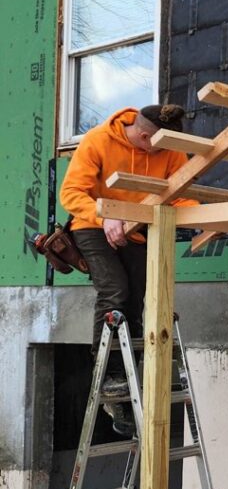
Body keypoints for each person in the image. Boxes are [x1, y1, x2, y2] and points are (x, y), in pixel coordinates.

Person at [60, 104, 197, 404]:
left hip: (136, 228)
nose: (168, 152)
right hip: (92, 225)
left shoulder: (171, 149)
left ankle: (128, 380)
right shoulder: (97, 140)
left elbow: (182, 196)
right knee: (115, 290)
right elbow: (70, 193)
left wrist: (207, 219)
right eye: (161, 145)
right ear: (146, 137)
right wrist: (103, 215)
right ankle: (108, 375)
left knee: (135, 299)